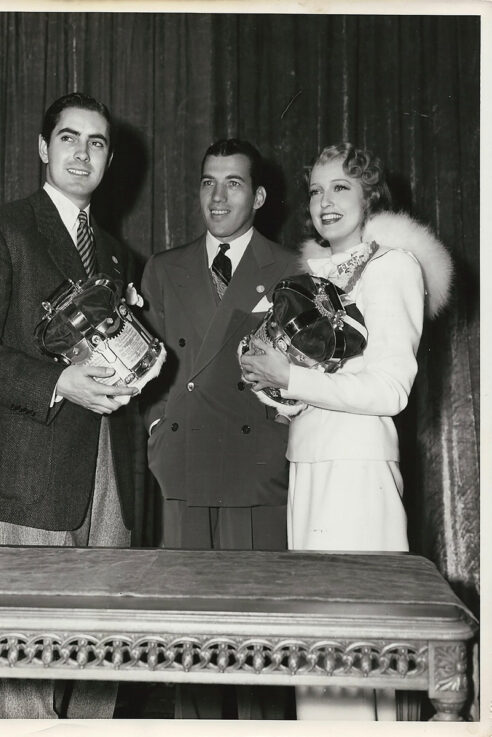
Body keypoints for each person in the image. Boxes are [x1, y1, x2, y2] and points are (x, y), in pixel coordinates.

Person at [0, 92, 141, 718]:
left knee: (105, 652)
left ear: (108, 159)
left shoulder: (117, 254)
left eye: (97, 142)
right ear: (43, 148)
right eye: (70, 138)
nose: (83, 153)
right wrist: (58, 383)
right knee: (18, 653)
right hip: (31, 466)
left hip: (111, 470)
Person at [240, 142, 453, 720]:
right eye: (315, 190)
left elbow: (391, 391)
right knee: (316, 653)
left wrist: (295, 380)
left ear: (369, 197)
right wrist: (274, 385)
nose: (324, 201)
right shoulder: (309, 274)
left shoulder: (392, 267)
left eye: (341, 188)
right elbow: (303, 384)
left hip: (358, 472)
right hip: (308, 463)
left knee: (356, 646)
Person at [140, 138, 294, 718]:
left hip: (256, 473)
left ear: (257, 196)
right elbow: (145, 369)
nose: (218, 195)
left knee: (260, 646)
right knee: (190, 649)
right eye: (208, 181)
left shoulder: (290, 267)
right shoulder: (164, 267)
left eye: (233, 183)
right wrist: (156, 425)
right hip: (180, 468)